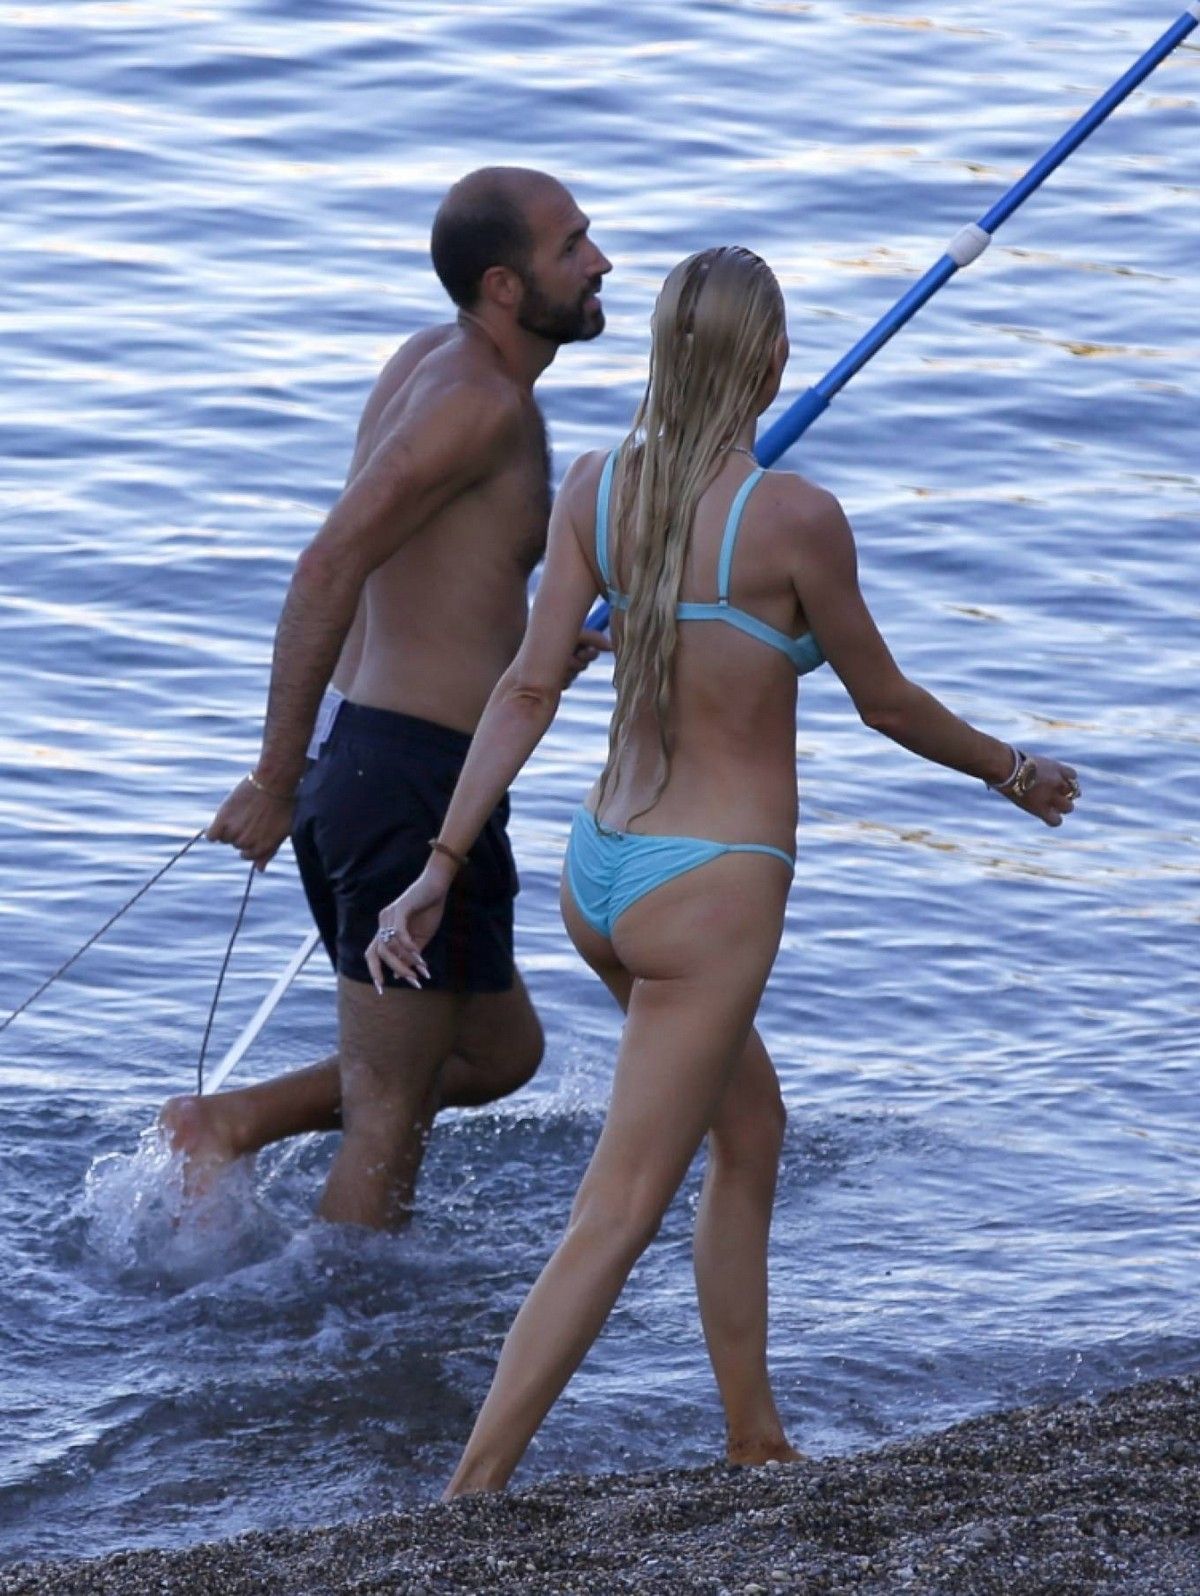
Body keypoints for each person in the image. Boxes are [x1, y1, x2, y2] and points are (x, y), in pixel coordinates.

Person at [368, 245, 1081, 1491]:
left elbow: (528, 686)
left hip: (601, 872)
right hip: (710, 887)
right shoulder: (794, 518)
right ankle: (468, 1495)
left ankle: (755, 1438)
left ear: (664, 353)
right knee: (618, 1209)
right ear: (774, 358)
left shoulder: (596, 489)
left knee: (750, 1127)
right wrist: (1012, 771)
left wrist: (441, 860)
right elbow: (887, 703)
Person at [160, 167, 612, 1229]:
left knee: (498, 1052)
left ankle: (227, 1123)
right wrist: (276, 780)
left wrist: (535, 649)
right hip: (401, 784)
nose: (600, 263)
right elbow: (328, 564)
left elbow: (429, 577)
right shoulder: (474, 404)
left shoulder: (435, 362)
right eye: (573, 247)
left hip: (402, 770)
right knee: (390, 1109)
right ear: (505, 286)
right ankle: (347, 1328)